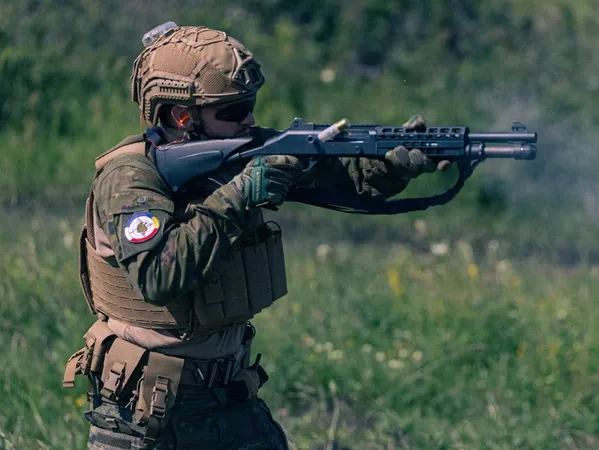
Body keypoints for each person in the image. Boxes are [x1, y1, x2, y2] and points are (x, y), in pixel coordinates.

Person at [62, 24, 448, 449]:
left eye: (250, 105)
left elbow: (342, 179)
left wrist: (392, 165)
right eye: (232, 110)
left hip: (230, 397)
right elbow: (158, 277)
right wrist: (241, 194)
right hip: (145, 411)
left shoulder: (242, 151)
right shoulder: (130, 179)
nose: (249, 120)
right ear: (181, 116)